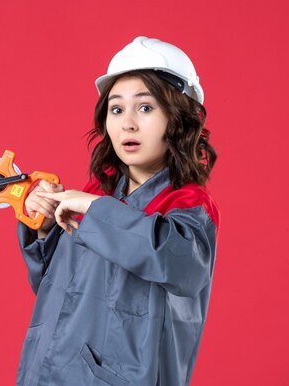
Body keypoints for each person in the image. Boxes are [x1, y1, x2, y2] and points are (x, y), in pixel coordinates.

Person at [16, 36, 219, 386]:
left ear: (180, 119)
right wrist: (46, 228)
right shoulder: (96, 194)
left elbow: (179, 266)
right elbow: (57, 290)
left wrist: (93, 208)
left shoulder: (186, 207)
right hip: (47, 371)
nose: (128, 124)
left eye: (145, 107)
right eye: (116, 109)